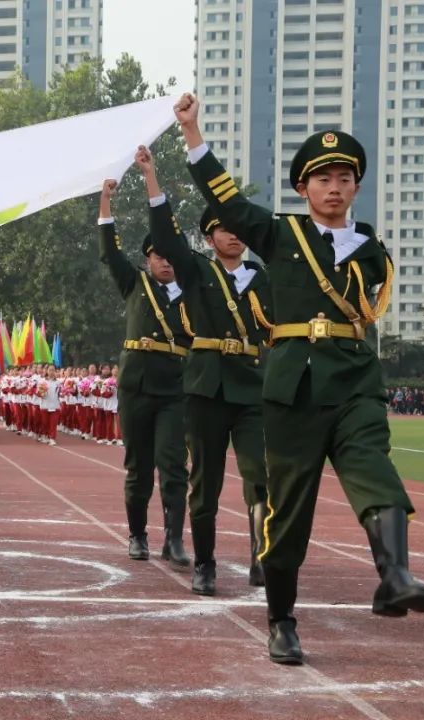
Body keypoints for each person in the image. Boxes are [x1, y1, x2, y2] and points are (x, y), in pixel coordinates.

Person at [175, 92, 424, 665]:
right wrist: (193, 133)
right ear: (303, 189)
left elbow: (364, 307)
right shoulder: (278, 234)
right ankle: (282, 620)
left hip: (355, 381)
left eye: (344, 177)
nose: (334, 187)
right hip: (293, 386)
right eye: (322, 178)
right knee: (288, 510)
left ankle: (394, 574)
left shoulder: (372, 251)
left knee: (373, 468)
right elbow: (226, 198)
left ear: (356, 187)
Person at [138, 144, 272, 596]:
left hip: (253, 389)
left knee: (261, 477)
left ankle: (262, 556)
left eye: (239, 230)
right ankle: (206, 563)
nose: (234, 236)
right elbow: (166, 234)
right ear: (210, 238)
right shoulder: (196, 273)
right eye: (223, 229)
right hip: (206, 388)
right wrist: (151, 178)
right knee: (205, 481)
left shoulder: (263, 278)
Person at [98, 176, 190, 570]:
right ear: (149, 260)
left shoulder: (193, 290)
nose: (166, 263)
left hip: (174, 388)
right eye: (159, 257)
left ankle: (174, 537)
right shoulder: (134, 283)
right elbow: (109, 251)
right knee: (138, 466)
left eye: (171, 257)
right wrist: (105, 202)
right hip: (136, 387)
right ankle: (137, 533)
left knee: (173, 466)